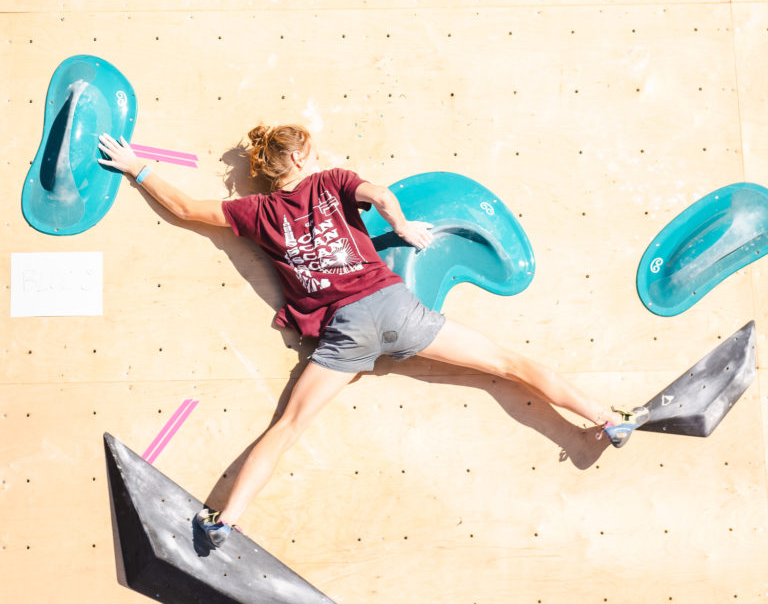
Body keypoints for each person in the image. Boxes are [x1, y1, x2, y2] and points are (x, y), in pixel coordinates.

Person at [98, 124, 646, 548]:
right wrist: (403, 227)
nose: (321, 157)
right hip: (394, 308)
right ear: (297, 159)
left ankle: (223, 521)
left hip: (345, 336)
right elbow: (381, 194)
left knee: (288, 426)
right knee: (508, 364)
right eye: (313, 151)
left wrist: (135, 168)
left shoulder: (255, 211)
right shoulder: (332, 182)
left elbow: (188, 209)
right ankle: (608, 418)